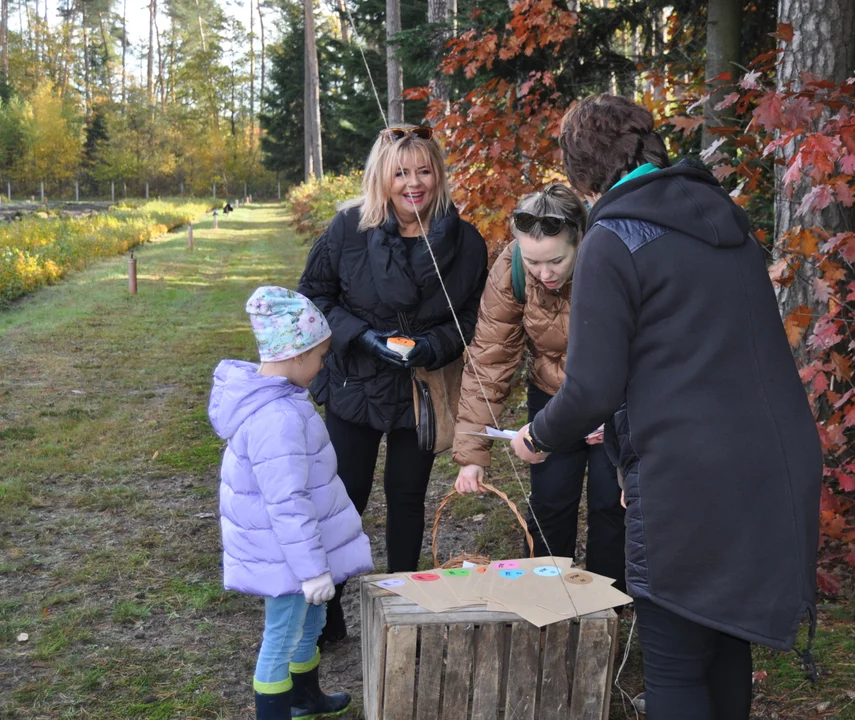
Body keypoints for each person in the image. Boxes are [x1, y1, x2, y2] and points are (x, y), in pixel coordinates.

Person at [511, 95, 824, 720]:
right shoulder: (725, 216)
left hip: (692, 475)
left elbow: (593, 387)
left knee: (675, 659)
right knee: (726, 639)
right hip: (775, 462)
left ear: (581, 173)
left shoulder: (613, 239)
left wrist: (538, 436)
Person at [297, 124, 489, 645]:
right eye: (401, 173)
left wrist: (434, 346)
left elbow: (473, 315)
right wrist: (361, 337)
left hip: (420, 393)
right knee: (343, 500)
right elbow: (313, 296)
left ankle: (404, 605)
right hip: (354, 387)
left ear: (438, 175)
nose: (414, 183)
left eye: (424, 171)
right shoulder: (346, 230)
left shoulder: (466, 241)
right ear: (381, 177)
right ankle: (326, 616)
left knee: (407, 497)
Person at [209, 286, 373, 720]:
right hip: (287, 557)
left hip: (298, 552)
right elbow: (287, 502)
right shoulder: (276, 420)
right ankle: (275, 711)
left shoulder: (283, 403)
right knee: (281, 634)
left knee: (312, 623)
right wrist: (312, 570)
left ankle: (305, 698)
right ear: (297, 356)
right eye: (320, 357)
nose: (322, 366)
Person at [452, 184, 626, 590]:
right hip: (552, 402)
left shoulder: (613, 260)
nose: (544, 273)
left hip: (612, 405)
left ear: (580, 240)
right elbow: (489, 359)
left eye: (556, 261)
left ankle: (606, 606)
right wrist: (473, 454)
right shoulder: (511, 269)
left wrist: (621, 413)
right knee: (550, 504)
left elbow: (645, 346)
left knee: (610, 507)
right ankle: (547, 599)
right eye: (533, 262)